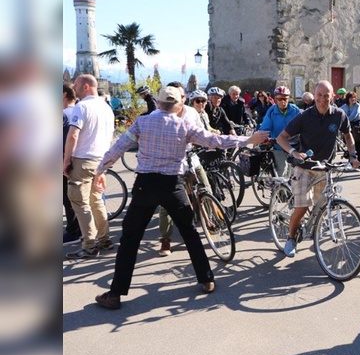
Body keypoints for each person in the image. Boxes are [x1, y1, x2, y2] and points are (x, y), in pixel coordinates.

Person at [91, 87, 269, 309]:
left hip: (145, 184)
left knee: (130, 237)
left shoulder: (142, 122)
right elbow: (214, 139)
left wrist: (100, 170)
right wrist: (247, 139)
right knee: (190, 232)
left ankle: (115, 293)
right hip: (173, 184)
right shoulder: (184, 125)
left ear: (157, 103)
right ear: (178, 106)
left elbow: (118, 147)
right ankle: (206, 279)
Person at [275, 81, 360, 258]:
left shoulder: (339, 115)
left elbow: (348, 135)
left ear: (333, 96)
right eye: (319, 95)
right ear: (314, 95)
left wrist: (353, 155)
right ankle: (291, 238)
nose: (322, 99)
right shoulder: (305, 116)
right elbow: (281, 138)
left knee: (321, 206)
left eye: (326, 95)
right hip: (304, 168)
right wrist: (293, 152)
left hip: (324, 168)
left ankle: (313, 229)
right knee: (302, 206)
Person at [63, 74, 115, 259]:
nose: (73, 88)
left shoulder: (81, 106)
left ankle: (89, 244)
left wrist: (66, 160)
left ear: (85, 86)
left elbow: (73, 135)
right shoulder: (106, 108)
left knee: (79, 201)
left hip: (83, 159)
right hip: (100, 159)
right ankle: (104, 239)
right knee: (96, 200)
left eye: (76, 84)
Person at [156, 83, 204, 257]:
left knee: (205, 187)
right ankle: (165, 240)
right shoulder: (161, 116)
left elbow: (202, 133)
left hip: (192, 158)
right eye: (177, 97)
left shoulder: (191, 113)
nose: (181, 100)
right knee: (166, 204)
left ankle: (210, 220)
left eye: (183, 96)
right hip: (173, 164)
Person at [258, 85, 301, 177]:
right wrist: (264, 137)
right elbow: (265, 126)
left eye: (285, 99)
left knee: (296, 174)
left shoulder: (295, 110)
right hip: (278, 146)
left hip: (293, 145)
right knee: (281, 172)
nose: (283, 101)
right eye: (280, 99)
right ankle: (278, 190)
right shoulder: (271, 111)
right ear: (275, 99)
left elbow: (303, 124)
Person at [62, 83, 81, 245]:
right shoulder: (80, 110)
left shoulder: (64, 115)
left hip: (66, 159)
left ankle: (74, 230)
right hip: (83, 158)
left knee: (67, 197)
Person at [341, 92, 360, 162]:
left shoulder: (357, 105)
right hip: (348, 125)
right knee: (349, 142)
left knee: (357, 142)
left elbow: (353, 116)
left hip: (356, 125)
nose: (352, 99)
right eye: (350, 98)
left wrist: (345, 120)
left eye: (354, 97)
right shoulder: (345, 106)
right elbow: (340, 112)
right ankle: (350, 159)